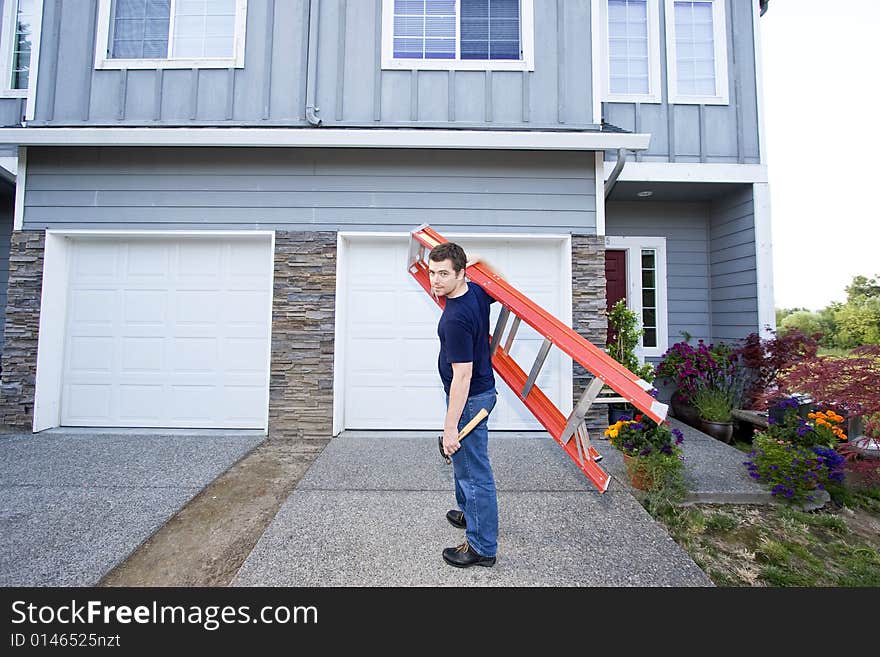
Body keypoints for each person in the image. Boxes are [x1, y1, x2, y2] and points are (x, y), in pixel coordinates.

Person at [428, 241, 500, 568]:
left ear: (461, 274)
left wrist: (449, 428)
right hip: (477, 394)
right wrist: (473, 261)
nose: (435, 280)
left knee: (474, 474)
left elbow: (462, 377)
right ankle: (470, 514)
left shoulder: (454, 318)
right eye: (432, 272)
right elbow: (500, 282)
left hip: (469, 398)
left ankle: (482, 546)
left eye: (444, 273)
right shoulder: (475, 291)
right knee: (464, 468)